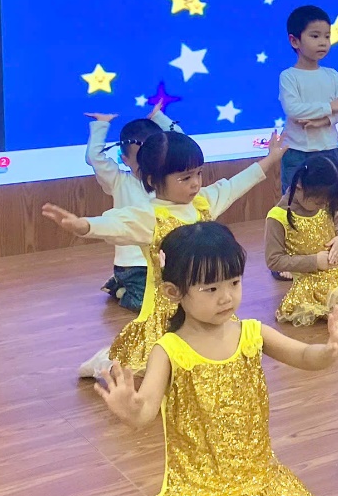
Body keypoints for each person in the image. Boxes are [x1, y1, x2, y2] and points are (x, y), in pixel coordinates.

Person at [97, 222, 338, 496]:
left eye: (234, 282)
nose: (226, 297)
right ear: (174, 292)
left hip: (253, 476)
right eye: (211, 289)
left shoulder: (251, 332)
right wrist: (129, 407)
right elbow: (145, 410)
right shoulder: (168, 350)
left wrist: (329, 351)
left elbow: (302, 356)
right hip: (198, 486)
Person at [43, 130, 286, 377]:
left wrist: (270, 159)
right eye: (185, 178)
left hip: (203, 305)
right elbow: (116, 223)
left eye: (198, 173)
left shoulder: (203, 203)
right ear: (152, 180)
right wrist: (83, 225)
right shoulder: (149, 216)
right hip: (165, 312)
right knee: (150, 372)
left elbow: (234, 185)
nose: (195, 183)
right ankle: (104, 362)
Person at [84, 108, 178, 310]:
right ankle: (121, 289)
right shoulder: (119, 181)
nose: (148, 166)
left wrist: (159, 117)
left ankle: (121, 283)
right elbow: (94, 157)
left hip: (165, 261)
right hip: (134, 265)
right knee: (148, 305)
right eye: (140, 162)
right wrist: (101, 124)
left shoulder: (168, 181)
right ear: (125, 160)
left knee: (181, 294)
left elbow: (184, 145)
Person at [268, 152, 338, 324]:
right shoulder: (278, 217)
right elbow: (274, 261)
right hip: (314, 281)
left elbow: (336, 222)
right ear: (299, 187)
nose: (323, 206)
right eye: (318, 203)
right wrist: (314, 261)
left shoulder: (324, 201)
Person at [278, 4, 338, 193]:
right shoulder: (289, 76)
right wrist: (329, 107)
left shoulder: (332, 75)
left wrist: (323, 121)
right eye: (315, 36)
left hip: (328, 149)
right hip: (296, 151)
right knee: (293, 199)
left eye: (327, 36)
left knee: (329, 197)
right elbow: (293, 109)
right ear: (294, 41)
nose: (323, 42)